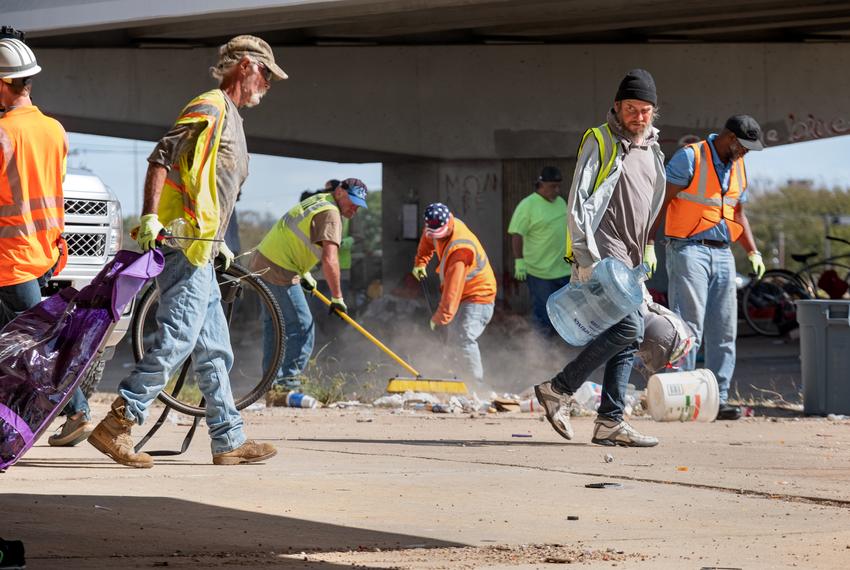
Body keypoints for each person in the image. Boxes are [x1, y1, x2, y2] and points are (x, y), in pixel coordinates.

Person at [87, 35, 286, 468]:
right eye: (266, 74)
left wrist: (220, 245)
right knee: (177, 338)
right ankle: (119, 422)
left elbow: (214, 189)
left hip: (203, 248)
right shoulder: (210, 106)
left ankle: (227, 438)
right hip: (182, 242)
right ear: (246, 65)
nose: (267, 85)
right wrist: (150, 217)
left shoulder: (230, 116)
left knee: (215, 349)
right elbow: (163, 156)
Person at [534, 69, 666, 447]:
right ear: (616, 107)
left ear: (653, 112)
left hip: (632, 256)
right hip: (604, 252)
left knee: (629, 334)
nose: (637, 116)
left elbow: (650, 204)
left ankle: (608, 420)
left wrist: (650, 245)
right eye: (630, 108)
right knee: (628, 329)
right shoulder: (601, 140)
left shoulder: (653, 147)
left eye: (644, 110)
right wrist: (584, 256)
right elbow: (577, 201)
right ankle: (559, 389)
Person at [0, 33, 91, 447]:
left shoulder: (3, 134)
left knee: (40, 345)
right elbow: (53, 189)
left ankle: (78, 411)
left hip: (10, 257)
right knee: (17, 342)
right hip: (42, 252)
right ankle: (20, 418)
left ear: (4, 84)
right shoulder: (56, 130)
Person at [647, 115, 765, 421]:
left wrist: (752, 251)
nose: (746, 153)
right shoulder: (691, 157)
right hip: (688, 250)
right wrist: (648, 242)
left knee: (725, 329)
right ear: (729, 138)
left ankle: (718, 398)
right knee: (690, 327)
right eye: (744, 146)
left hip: (723, 253)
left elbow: (737, 212)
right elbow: (661, 201)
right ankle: (686, 396)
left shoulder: (738, 165)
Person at [249, 178, 368, 404]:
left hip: (264, 260)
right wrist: (337, 297)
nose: (354, 209)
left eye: (358, 205)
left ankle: (271, 386)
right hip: (279, 268)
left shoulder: (319, 200)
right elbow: (330, 260)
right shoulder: (331, 213)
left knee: (274, 327)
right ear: (340, 192)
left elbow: (296, 234)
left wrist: (304, 273)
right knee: (302, 326)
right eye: (352, 202)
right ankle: (286, 386)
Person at [411, 203, 497, 386]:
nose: (437, 237)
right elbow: (428, 240)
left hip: (478, 295)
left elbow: (453, 290)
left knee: (463, 336)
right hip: (463, 294)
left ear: (449, 220)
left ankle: (476, 386)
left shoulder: (461, 248)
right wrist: (420, 262)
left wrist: (440, 319)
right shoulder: (434, 225)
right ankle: (458, 382)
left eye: (440, 234)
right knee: (452, 340)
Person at [507, 166, 570, 337]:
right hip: (540, 273)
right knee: (544, 315)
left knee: (567, 315)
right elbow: (517, 234)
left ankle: (561, 351)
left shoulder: (561, 202)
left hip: (563, 270)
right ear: (541, 184)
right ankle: (541, 355)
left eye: (558, 186)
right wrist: (518, 261)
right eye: (552, 186)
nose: (556, 190)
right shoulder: (527, 205)